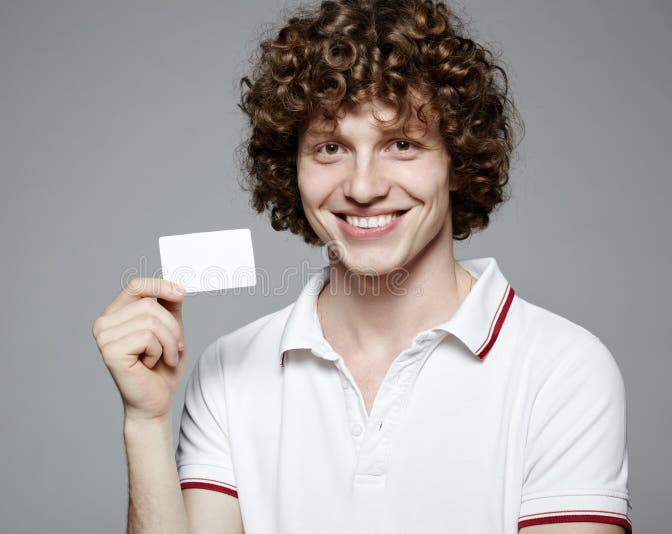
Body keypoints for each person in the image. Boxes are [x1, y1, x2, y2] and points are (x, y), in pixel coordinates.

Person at [91, 1, 632, 532]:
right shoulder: (227, 371)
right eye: (330, 148)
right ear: (293, 169)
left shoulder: (563, 371)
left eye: (401, 143)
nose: (364, 187)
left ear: (457, 162)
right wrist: (146, 421)